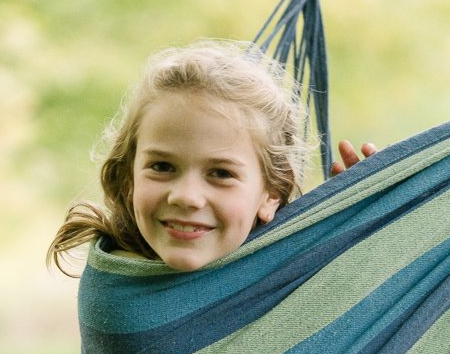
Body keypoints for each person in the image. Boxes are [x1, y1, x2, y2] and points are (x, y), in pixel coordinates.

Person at [48, 39, 374, 274]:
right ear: (129, 177)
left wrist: (368, 228)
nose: (187, 197)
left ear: (271, 193)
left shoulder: (295, 282)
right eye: (162, 167)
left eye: (220, 173)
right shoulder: (114, 287)